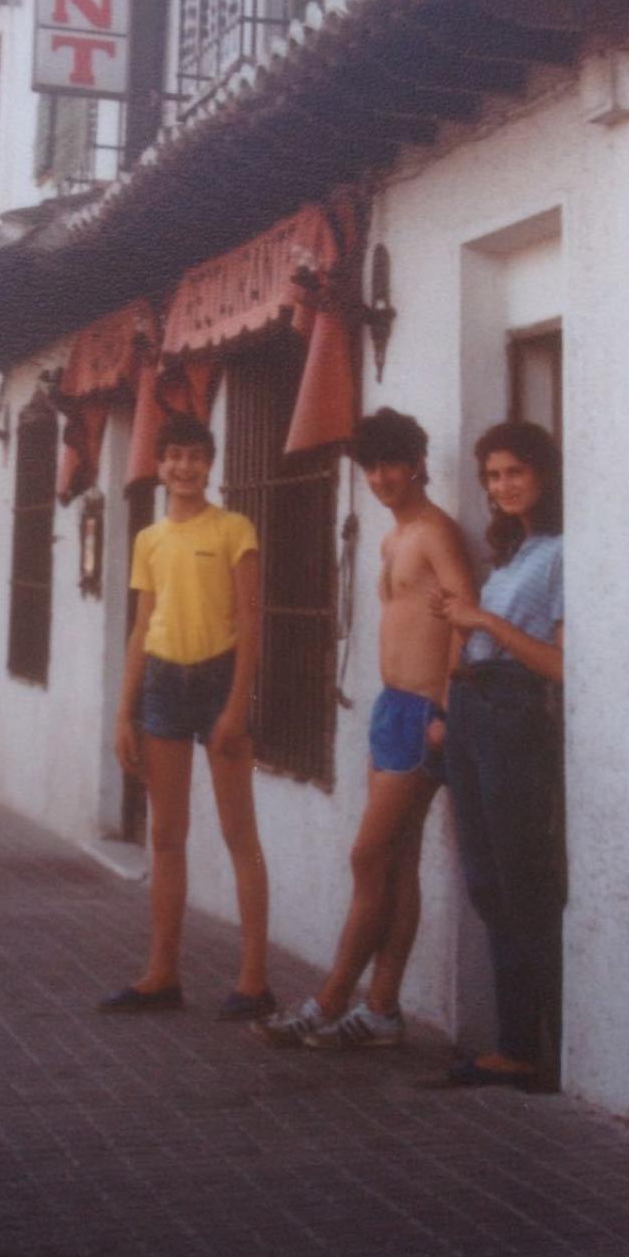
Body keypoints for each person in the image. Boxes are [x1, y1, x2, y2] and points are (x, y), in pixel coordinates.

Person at [261, 409, 477, 1049]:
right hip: (390, 709)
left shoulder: (436, 532)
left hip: (421, 714)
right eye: (372, 467)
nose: (382, 478)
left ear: (417, 462)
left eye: (393, 463)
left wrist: (445, 707)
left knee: (367, 856)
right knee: (398, 862)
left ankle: (330, 1000)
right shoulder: (392, 537)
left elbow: (466, 615)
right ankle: (381, 1010)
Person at [101, 413, 271, 1019]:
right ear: (159, 463)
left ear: (210, 463)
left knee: (238, 834)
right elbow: (142, 627)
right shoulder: (148, 538)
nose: (184, 467)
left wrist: (235, 706)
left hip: (219, 678)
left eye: (195, 456)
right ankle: (161, 975)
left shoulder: (235, 529)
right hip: (163, 684)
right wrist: (124, 712)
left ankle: (253, 983)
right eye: (173, 456)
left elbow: (251, 623)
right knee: (166, 836)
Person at [430, 421, 564, 1091]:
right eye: (493, 476)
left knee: (521, 882)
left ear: (544, 472)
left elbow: (562, 666)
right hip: (474, 711)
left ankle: (554, 1048)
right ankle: (515, 1044)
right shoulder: (517, 549)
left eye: (514, 471)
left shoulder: (567, 551)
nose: (503, 485)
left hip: (514, 714)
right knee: (486, 883)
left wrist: (486, 622)